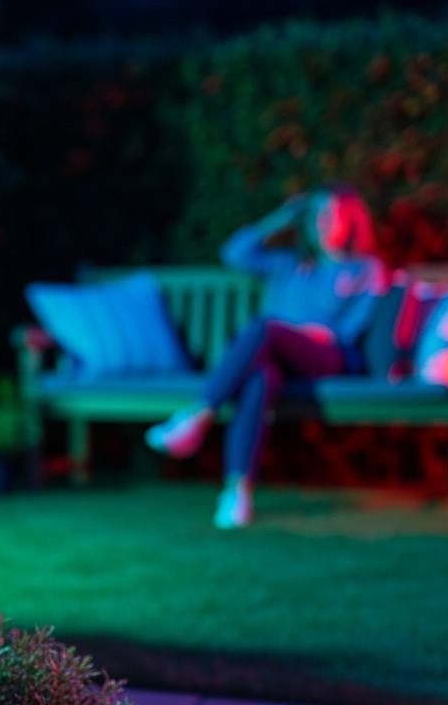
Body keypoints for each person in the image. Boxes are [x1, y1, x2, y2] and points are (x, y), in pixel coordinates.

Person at [145, 185, 387, 529]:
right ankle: (237, 493)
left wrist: (315, 333)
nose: (322, 223)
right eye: (315, 215)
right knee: (259, 378)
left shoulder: (364, 269)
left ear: (351, 221)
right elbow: (234, 253)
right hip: (276, 353)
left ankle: (197, 416)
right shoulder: (287, 265)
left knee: (264, 327)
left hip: (327, 355)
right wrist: (279, 219)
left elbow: (354, 326)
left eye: (331, 215)